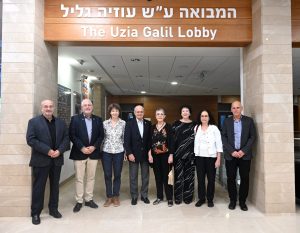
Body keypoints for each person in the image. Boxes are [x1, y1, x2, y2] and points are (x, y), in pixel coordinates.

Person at [26, 99, 69, 225]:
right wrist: (48, 151)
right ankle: (35, 213)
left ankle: (53, 209)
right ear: (41, 108)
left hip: (57, 160)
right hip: (41, 160)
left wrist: (59, 151)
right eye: (46, 106)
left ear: (54, 108)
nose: (48, 108)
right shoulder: (33, 122)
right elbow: (31, 140)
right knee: (39, 187)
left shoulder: (61, 123)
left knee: (55, 186)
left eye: (50, 106)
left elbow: (66, 139)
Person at [69, 99, 104, 213]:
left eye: (89, 105)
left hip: (93, 153)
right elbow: (72, 135)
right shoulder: (75, 119)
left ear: (92, 107)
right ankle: (79, 201)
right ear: (81, 107)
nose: (87, 107)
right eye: (85, 105)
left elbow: (101, 136)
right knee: (79, 178)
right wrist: (82, 147)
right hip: (79, 153)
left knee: (91, 178)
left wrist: (94, 147)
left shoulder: (98, 119)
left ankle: (89, 199)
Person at [221, 101, 256, 211]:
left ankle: (242, 201)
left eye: (238, 108)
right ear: (231, 109)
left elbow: (252, 137)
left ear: (241, 108)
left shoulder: (249, 121)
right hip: (231, 155)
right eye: (233, 108)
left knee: (245, 178)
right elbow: (224, 138)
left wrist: (243, 151)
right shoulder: (226, 121)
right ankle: (232, 200)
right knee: (231, 178)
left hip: (244, 156)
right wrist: (232, 151)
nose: (236, 110)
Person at [194, 110, 222, 208]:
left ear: (209, 117)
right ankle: (201, 199)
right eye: (202, 116)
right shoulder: (196, 128)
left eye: (206, 116)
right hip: (199, 157)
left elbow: (219, 144)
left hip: (211, 158)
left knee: (211, 180)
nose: (204, 118)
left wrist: (218, 159)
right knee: (200, 180)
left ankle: (210, 199)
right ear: (200, 117)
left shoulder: (214, 128)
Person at [124, 105, 151, 205]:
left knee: (145, 176)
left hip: (145, 155)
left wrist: (149, 153)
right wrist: (129, 153)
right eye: (137, 112)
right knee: (133, 176)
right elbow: (126, 140)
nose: (139, 113)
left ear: (143, 112)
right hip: (133, 155)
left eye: (141, 112)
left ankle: (144, 195)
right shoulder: (129, 123)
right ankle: (134, 196)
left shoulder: (148, 123)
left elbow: (149, 140)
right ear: (134, 113)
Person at [148, 108, 174, 207]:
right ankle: (159, 197)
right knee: (158, 177)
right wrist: (149, 154)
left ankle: (170, 198)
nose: (159, 116)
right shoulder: (152, 127)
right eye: (158, 114)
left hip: (166, 156)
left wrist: (171, 155)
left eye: (161, 114)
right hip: (155, 156)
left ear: (164, 116)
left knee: (168, 177)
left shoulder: (168, 127)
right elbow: (149, 142)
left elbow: (171, 142)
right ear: (155, 116)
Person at [102, 103, 126, 207]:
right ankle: (109, 197)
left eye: (116, 110)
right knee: (107, 174)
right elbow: (102, 138)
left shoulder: (123, 123)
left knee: (117, 174)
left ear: (119, 112)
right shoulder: (105, 123)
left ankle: (116, 196)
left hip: (119, 152)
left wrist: (125, 152)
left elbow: (124, 138)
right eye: (112, 111)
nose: (114, 112)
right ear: (110, 112)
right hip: (106, 152)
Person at [172, 105, 196, 204]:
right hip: (178, 155)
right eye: (183, 111)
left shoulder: (195, 125)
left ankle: (188, 197)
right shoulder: (175, 124)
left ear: (190, 113)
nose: (185, 112)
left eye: (187, 111)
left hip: (190, 155)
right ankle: (178, 198)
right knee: (178, 177)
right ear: (181, 113)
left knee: (189, 177)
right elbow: (172, 140)